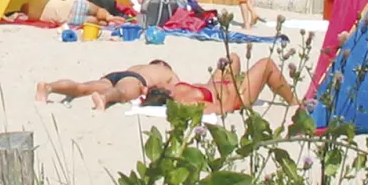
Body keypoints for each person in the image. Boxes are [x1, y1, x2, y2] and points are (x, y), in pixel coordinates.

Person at [143, 53, 298, 114]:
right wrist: (234, 87)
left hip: (217, 85)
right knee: (267, 64)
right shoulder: (187, 103)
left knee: (232, 58)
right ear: (161, 90)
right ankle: (294, 102)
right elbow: (224, 108)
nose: (164, 80)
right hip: (238, 96)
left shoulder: (175, 89)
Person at [36, 58, 180, 109]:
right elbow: (177, 89)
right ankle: (104, 98)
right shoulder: (168, 72)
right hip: (135, 79)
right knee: (121, 93)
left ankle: (49, 87)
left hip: (115, 75)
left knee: (82, 87)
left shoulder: (140, 65)